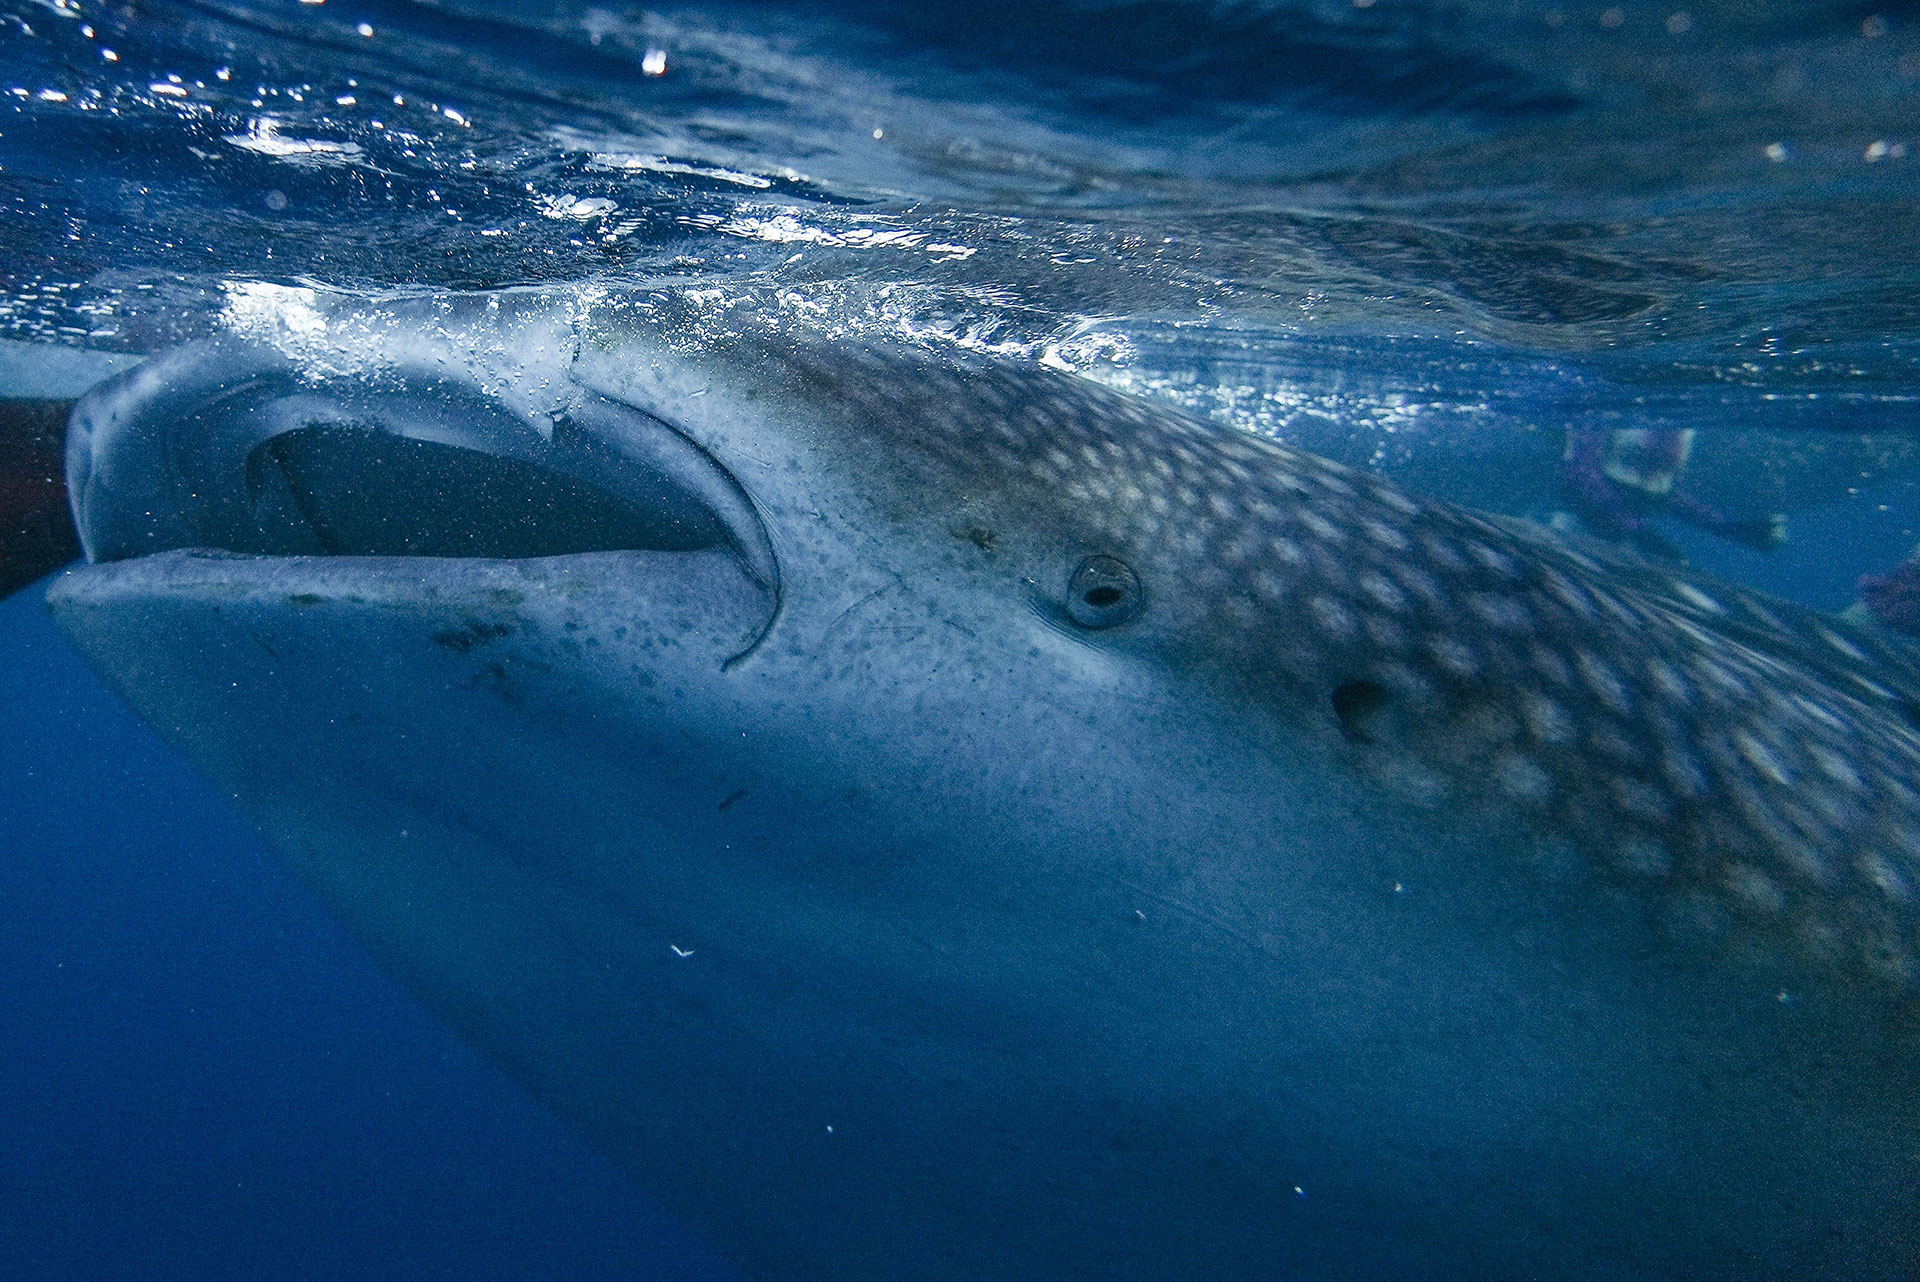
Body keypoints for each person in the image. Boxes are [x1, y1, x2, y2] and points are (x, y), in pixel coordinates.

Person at [1560, 427, 1786, 562]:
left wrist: (1734, 529)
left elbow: (1669, 495)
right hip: (1576, 530)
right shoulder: (1605, 415)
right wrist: (1636, 530)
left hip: (1627, 538)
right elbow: (1580, 472)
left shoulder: (1678, 429)